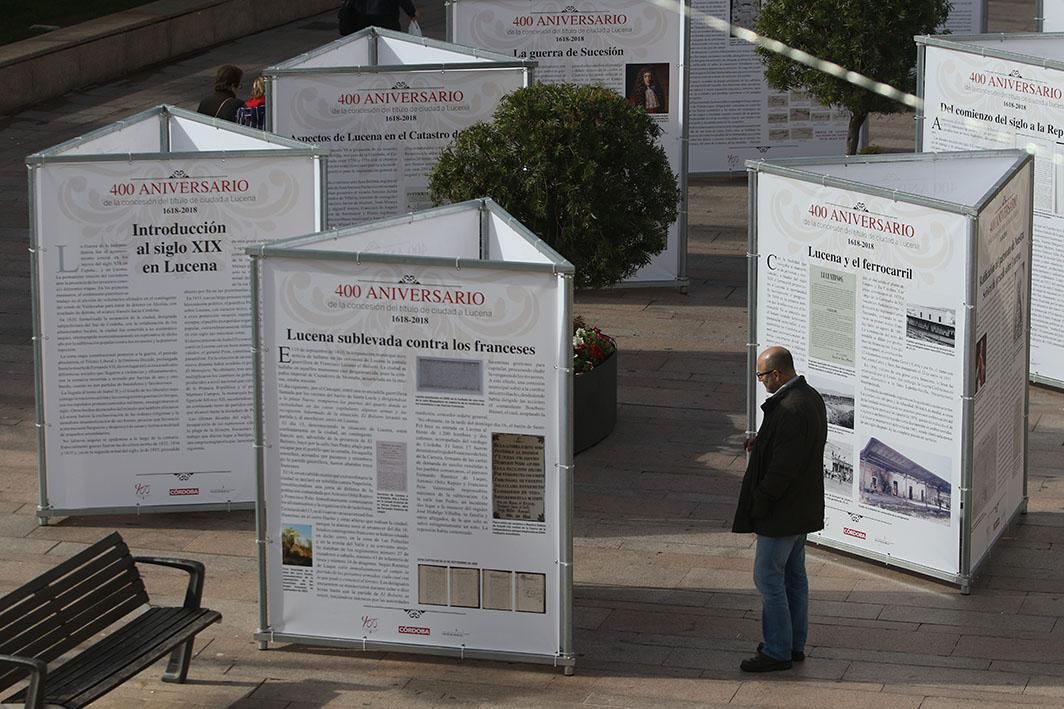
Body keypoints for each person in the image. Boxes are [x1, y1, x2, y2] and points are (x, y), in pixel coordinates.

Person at [732, 346, 827, 673]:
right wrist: (763, 442)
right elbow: (796, 446)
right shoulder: (809, 397)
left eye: (762, 376)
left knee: (768, 578)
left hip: (782, 512)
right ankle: (793, 644)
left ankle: (776, 650)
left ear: (777, 374)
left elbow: (783, 468)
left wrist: (760, 500)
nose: (761, 382)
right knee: (794, 577)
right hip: (801, 507)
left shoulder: (789, 409)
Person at [339, 0, 419, 35]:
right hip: (386, 16)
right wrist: (411, 13)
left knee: (365, 43)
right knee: (388, 44)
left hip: (362, 16)